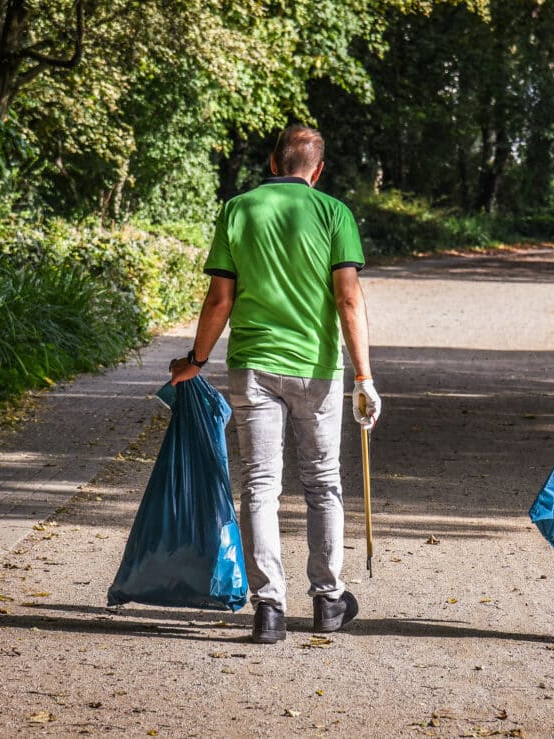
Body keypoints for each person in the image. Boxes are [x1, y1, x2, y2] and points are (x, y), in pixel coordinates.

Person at [170, 124, 381, 644]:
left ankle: (269, 609)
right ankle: (329, 599)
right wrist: (364, 377)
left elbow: (220, 299)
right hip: (318, 369)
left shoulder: (238, 209)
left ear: (272, 163)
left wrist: (196, 359)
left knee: (260, 486)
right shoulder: (335, 214)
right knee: (323, 484)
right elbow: (348, 300)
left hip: (253, 366)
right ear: (318, 169)